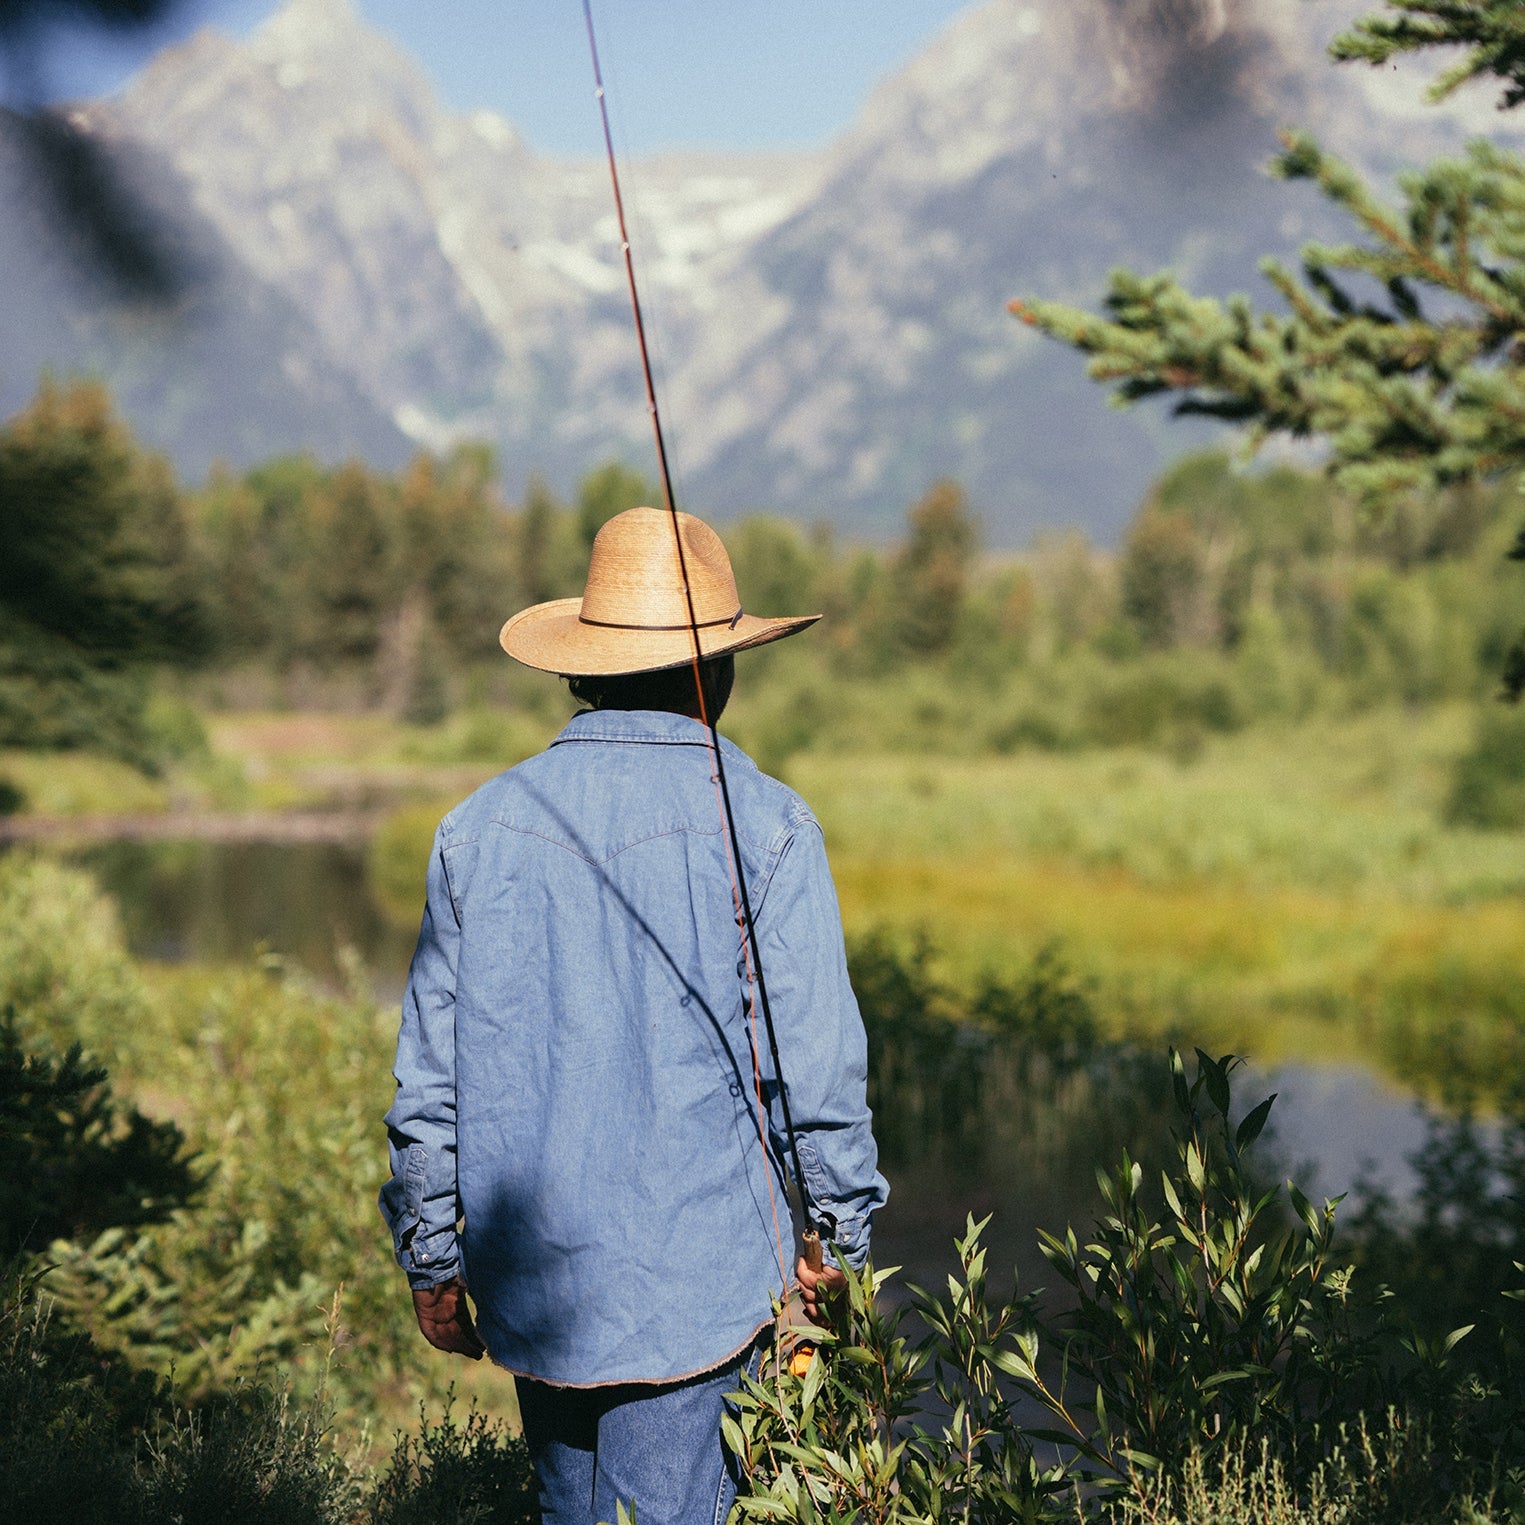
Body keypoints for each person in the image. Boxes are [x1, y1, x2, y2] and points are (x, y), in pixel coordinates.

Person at [379, 505, 887, 1525]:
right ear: (723, 670)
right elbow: (815, 1075)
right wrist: (838, 1246)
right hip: (697, 1296)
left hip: (539, 1292)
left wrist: (433, 1260)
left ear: (584, 668)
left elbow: (430, 1081)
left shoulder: (475, 828)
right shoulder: (772, 826)